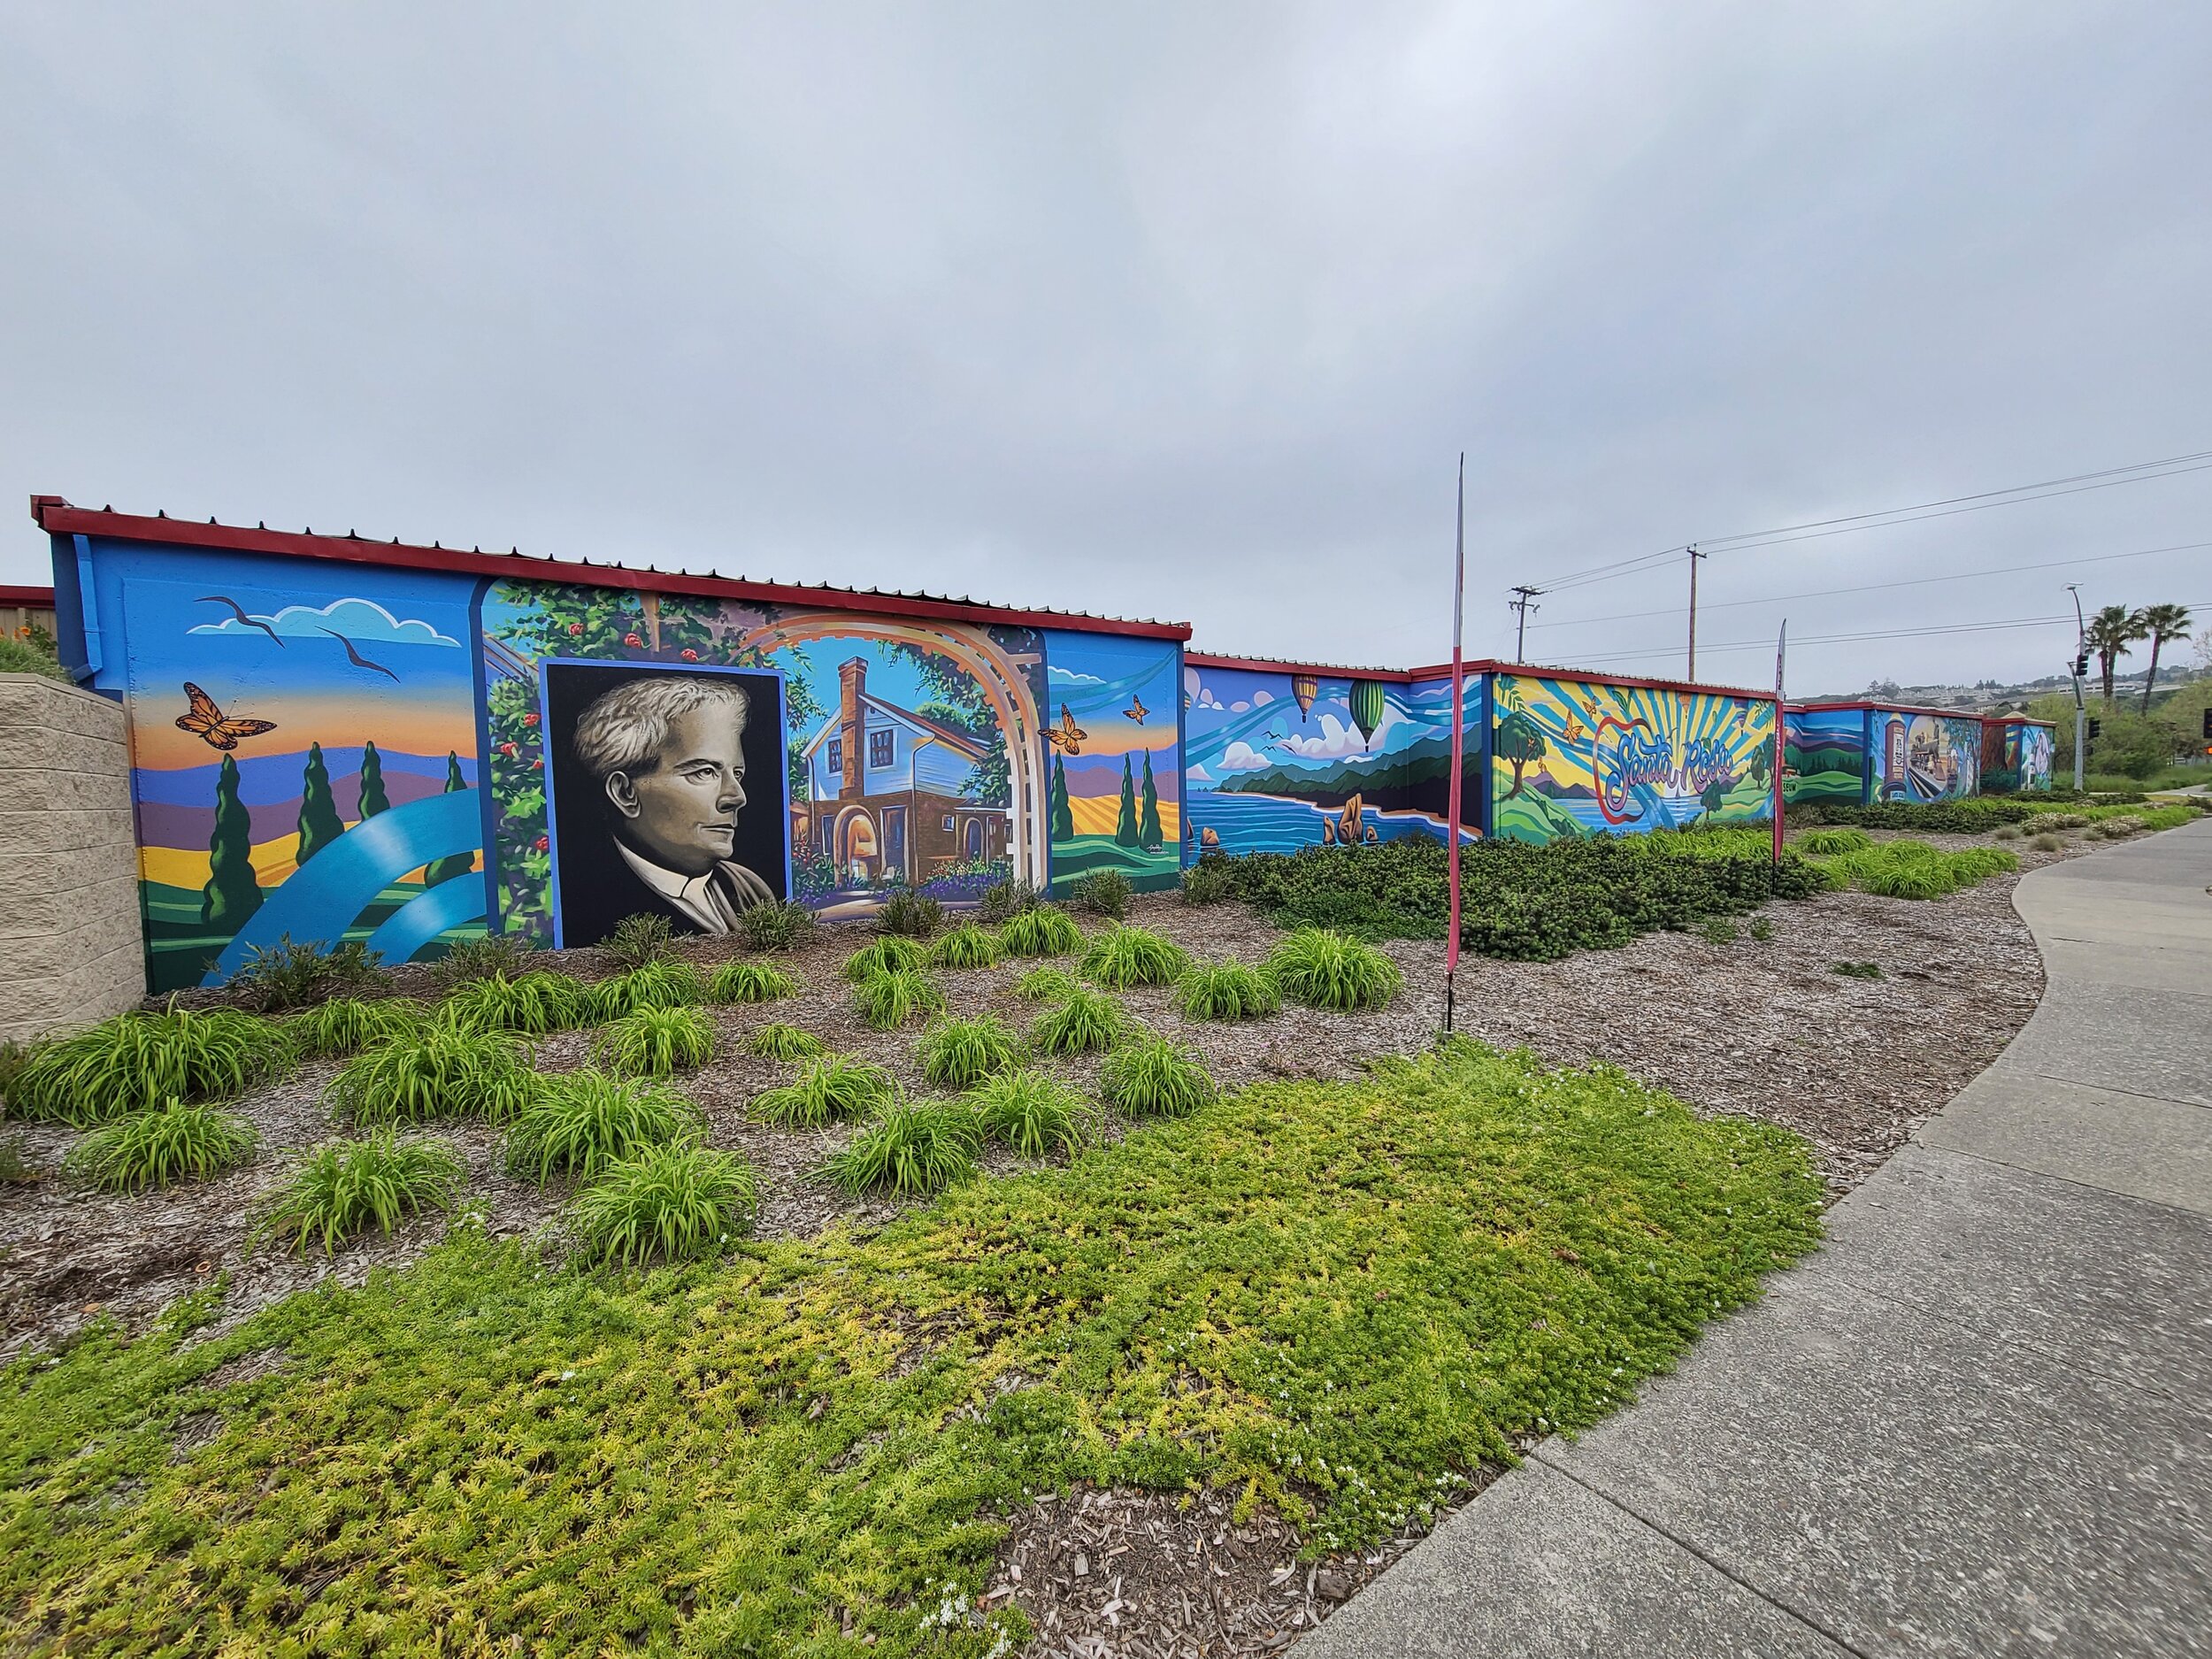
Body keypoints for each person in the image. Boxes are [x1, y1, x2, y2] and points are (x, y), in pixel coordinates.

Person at [563, 673, 778, 941]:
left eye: (738, 774)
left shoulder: (749, 888)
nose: (736, 797)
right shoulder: (590, 903)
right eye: (704, 772)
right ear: (625, 793)